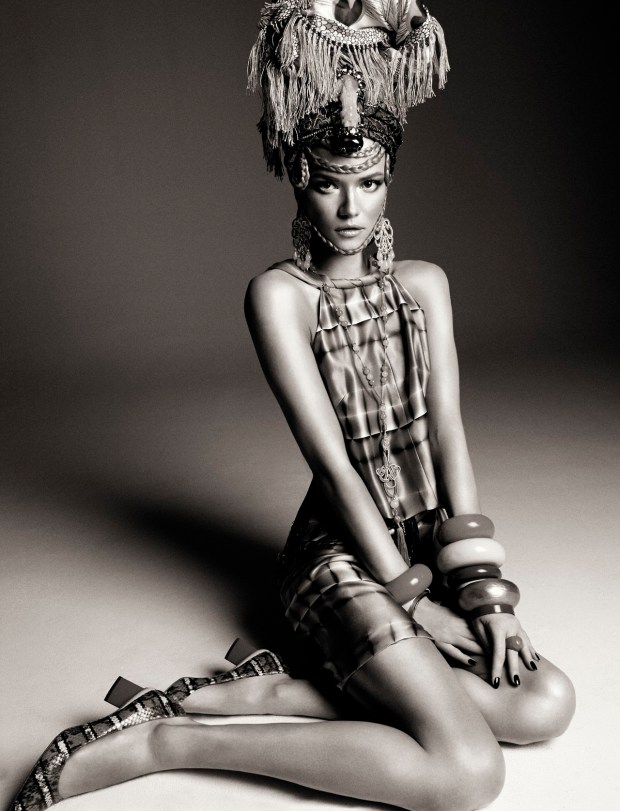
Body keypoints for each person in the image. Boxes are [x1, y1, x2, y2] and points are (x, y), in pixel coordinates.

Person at [9, 3, 575, 810]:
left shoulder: (425, 285)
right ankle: (166, 736)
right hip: (340, 557)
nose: (351, 209)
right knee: (470, 772)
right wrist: (416, 607)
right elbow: (334, 466)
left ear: (389, 180)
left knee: (546, 701)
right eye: (328, 184)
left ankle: (277, 689)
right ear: (298, 179)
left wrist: (484, 593)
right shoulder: (280, 296)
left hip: (425, 544)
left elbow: (449, 437)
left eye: (370, 183)